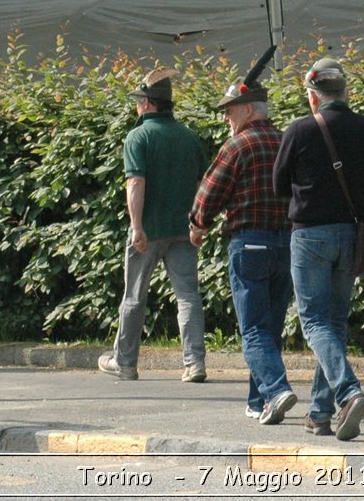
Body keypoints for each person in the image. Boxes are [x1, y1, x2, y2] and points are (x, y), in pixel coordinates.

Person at [272, 57, 364, 441]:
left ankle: (348, 393)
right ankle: (319, 413)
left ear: (313, 97)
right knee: (333, 323)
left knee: (315, 322)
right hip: (351, 233)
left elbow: (279, 185)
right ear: (345, 92)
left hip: (310, 235)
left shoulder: (299, 130)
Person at [188, 69, 295, 427]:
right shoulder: (286, 141)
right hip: (288, 243)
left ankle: (277, 389)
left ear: (249, 110)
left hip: (250, 243)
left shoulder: (237, 145)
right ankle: (259, 400)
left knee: (252, 329)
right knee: (271, 326)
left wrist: (198, 225)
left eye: (230, 110)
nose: (225, 117)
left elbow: (209, 196)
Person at [98, 70, 208, 383]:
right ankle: (195, 362)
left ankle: (126, 363)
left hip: (149, 230)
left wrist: (136, 226)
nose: (136, 106)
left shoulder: (138, 137)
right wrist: (199, 222)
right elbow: (203, 184)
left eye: (138, 101)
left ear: (148, 103)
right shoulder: (189, 136)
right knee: (188, 295)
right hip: (184, 230)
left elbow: (135, 182)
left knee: (134, 296)